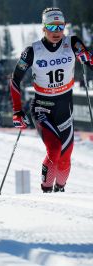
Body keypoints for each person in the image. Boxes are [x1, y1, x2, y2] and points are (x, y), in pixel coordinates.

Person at [9, 7, 93, 193]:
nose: (56, 32)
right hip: (42, 108)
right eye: (51, 27)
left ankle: (60, 190)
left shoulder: (72, 42)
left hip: (65, 107)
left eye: (60, 27)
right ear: (43, 28)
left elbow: (89, 61)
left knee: (66, 157)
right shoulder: (32, 50)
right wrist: (17, 110)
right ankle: (46, 192)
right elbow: (15, 79)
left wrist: (87, 58)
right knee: (54, 150)